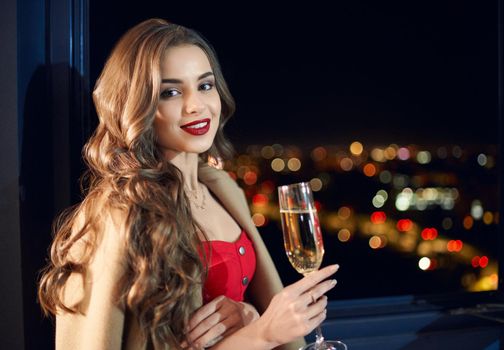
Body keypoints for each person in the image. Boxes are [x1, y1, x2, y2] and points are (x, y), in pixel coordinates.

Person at [38, 18, 339, 350]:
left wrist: (250, 316)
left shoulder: (222, 188)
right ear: (139, 105)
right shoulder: (117, 214)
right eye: (170, 92)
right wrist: (263, 333)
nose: (195, 105)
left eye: (205, 85)